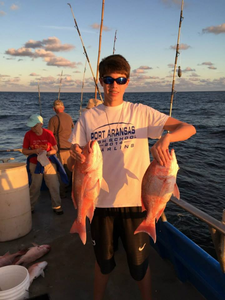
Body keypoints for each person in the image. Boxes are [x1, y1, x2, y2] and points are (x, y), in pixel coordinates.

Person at [67, 54, 196, 300]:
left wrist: (166, 137)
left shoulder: (141, 113)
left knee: (139, 267)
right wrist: (74, 155)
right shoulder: (87, 118)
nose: (113, 85)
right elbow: (73, 162)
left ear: (127, 82)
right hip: (99, 204)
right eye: (108, 79)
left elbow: (188, 128)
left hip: (137, 204)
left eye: (120, 79)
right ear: (100, 81)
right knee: (103, 263)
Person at [22, 114, 63, 215]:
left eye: (35, 126)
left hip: (48, 162)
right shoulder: (28, 135)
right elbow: (24, 151)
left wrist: (48, 153)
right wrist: (35, 151)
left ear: (41, 124)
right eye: (31, 126)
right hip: (35, 164)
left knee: (54, 184)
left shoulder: (48, 133)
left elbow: (55, 149)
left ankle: (57, 206)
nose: (33, 128)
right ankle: (30, 207)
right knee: (35, 186)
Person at [48, 99, 74, 198]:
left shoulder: (53, 119)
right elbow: (72, 128)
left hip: (60, 150)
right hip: (70, 148)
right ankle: (72, 192)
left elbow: (50, 135)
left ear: (54, 109)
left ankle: (62, 194)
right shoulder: (69, 117)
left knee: (61, 172)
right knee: (70, 171)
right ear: (63, 108)